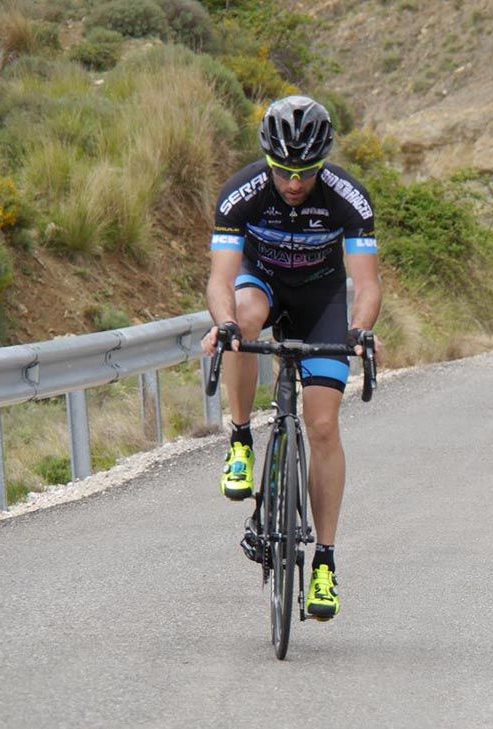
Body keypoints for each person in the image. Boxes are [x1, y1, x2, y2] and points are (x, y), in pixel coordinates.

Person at [200, 95, 381, 622]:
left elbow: (366, 285)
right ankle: (239, 440)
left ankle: (324, 563)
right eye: (284, 171)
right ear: (268, 161)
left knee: (323, 426)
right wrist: (225, 324)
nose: (295, 183)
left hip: (322, 299)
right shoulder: (242, 193)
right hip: (263, 287)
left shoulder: (350, 198)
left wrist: (359, 332)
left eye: (306, 172)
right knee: (245, 317)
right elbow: (220, 279)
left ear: (322, 162)